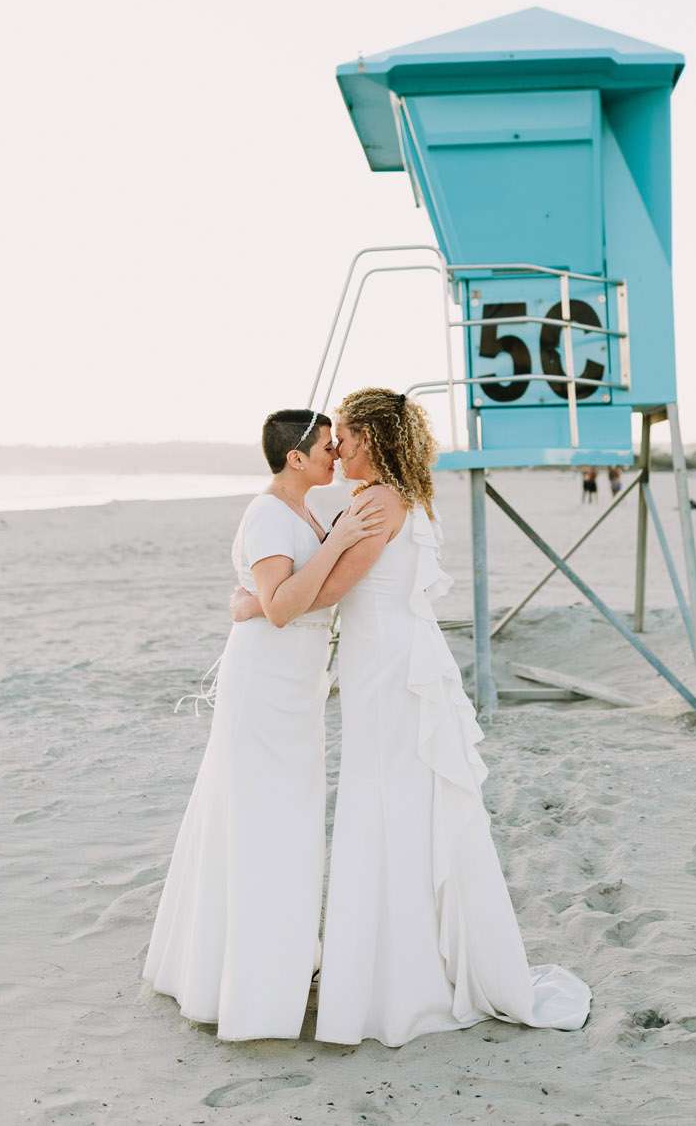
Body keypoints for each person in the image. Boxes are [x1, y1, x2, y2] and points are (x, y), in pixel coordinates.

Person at [235, 388, 591, 1046]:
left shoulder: (377, 501)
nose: (336, 447)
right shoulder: (390, 495)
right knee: (391, 798)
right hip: (385, 656)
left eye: (344, 436)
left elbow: (330, 589)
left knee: (384, 798)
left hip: (389, 667)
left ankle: (392, 978)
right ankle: (386, 960)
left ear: (370, 439)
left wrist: (255, 603)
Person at [143, 409, 383, 1041]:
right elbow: (280, 608)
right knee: (264, 817)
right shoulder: (269, 514)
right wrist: (331, 547)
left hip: (297, 683)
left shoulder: (303, 509)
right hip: (266, 684)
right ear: (295, 457)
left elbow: (291, 596)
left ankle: (282, 956)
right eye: (327, 447)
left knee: (291, 816)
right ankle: (251, 975)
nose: (336, 454)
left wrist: (259, 598)